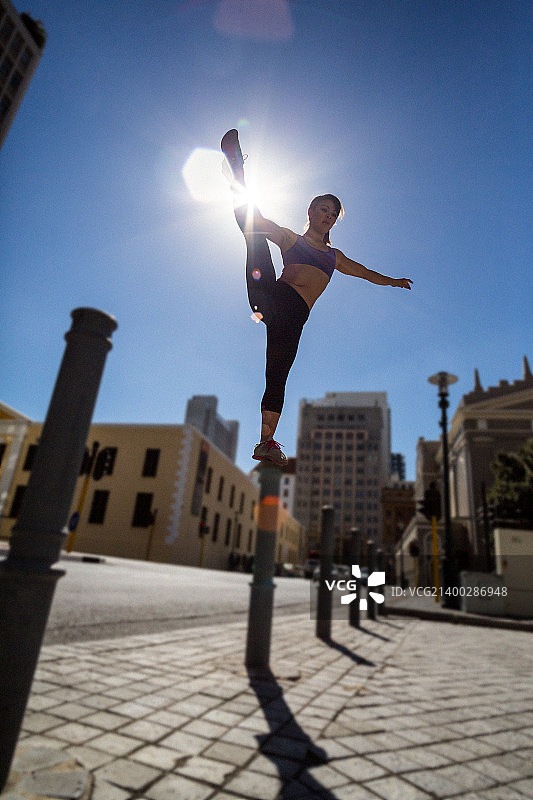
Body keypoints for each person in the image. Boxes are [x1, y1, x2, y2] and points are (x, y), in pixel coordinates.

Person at [221, 129, 412, 467]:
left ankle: (265, 443)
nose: (328, 214)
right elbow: (257, 221)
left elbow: (366, 273)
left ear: (334, 221)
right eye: (323, 208)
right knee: (254, 232)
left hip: (293, 318)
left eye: (333, 213)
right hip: (270, 296)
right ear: (310, 212)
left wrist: (393, 281)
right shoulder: (291, 239)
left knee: (278, 373)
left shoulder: (334, 257)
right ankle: (237, 171)